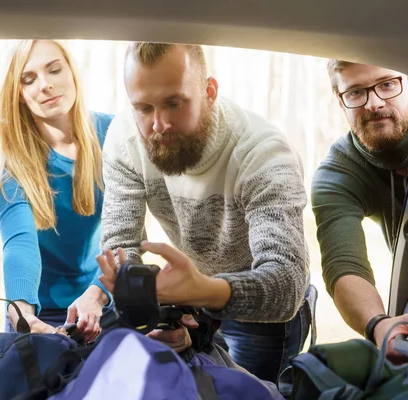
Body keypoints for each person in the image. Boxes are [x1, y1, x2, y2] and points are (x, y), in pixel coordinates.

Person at [97, 42, 311, 383]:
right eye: (143, 107)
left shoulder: (264, 153)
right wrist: (153, 306)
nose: (159, 124)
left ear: (209, 91)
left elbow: (286, 284)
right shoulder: (124, 139)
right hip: (190, 296)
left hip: (264, 311)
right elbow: (121, 243)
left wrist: (199, 291)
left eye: (174, 103)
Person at [311, 60, 408, 356]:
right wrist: (378, 325)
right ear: (339, 101)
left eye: (386, 84)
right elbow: (343, 264)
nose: (374, 103)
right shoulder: (338, 173)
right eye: (356, 92)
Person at [0, 40, 113, 342]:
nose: (45, 85)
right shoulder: (14, 165)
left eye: (54, 70)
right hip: (38, 312)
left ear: (72, 72)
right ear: (19, 95)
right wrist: (22, 313)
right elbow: (19, 246)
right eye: (29, 79)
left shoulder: (113, 135)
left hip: (101, 300)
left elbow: (126, 233)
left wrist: (98, 295)